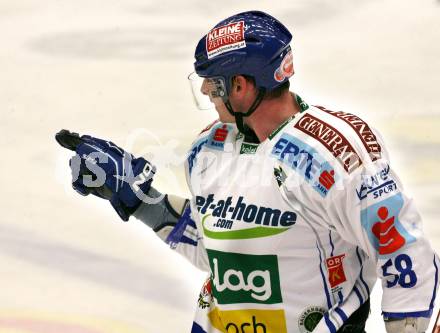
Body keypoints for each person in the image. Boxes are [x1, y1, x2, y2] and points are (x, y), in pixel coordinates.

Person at [56, 11, 439, 333]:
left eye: (213, 81)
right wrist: (138, 199)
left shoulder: (334, 152)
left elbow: (401, 248)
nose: (206, 90)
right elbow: (223, 255)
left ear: (241, 86)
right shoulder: (208, 150)